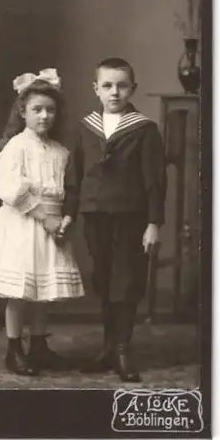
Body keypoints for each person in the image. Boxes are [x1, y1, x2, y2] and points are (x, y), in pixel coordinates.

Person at [59, 58, 166, 382]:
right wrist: (69, 214)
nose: (114, 92)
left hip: (131, 216)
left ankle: (123, 348)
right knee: (103, 279)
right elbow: (75, 176)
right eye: (107, 86)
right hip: (95, 215)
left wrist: (153, 223)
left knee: (126, 280)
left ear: (132, 88)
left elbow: (155, 180)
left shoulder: (144, 129)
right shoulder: (85, 127)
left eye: (121, 85)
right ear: (96, 89)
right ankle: (108, 347)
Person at [0, 68, 84, 376]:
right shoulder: (16, 147)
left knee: (42, 292)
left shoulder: (60, 152)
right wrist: (45, 218)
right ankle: (14, 349)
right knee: (20, 291)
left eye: (50, 110)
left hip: (52, 224)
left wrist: (64, 219)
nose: (44, 116)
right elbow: (11, 189)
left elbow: (69, 190)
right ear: (22, 112)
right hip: (23, 223)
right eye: (36, 110)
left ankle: (39, 346)